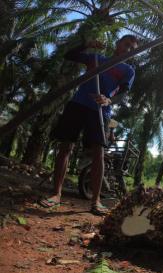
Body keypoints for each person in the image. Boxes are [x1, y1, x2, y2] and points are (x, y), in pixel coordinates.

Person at [39, 35, 138, 215]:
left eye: (132, 48)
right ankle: (56, 194)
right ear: (118, 44)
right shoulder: (96, 58)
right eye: (126, 44)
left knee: (98, 152)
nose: (128, 49)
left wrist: (109, 100)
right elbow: (69, 55)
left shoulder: (128, 70)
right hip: (78, 105)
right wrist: (86, 44)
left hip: (101, 112)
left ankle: (96, 201)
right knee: (66, 147)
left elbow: (123, 94)